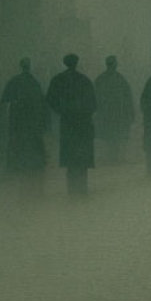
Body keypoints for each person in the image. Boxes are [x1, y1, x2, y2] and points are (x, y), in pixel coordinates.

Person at [46, 54, 97, 196]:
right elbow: (93, 104)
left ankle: (72, 190)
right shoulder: (84, 80)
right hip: (83, 124)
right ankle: (82, 189)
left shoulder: (58, 80)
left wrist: (63, 111)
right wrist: (83, 111)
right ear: (76, 63)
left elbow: (50, 100)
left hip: (68, 124)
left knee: (71, 159)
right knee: (82, 160)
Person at [1, 58, 49, 197]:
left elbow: (5, 99)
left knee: (20, 144)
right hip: (32, 120)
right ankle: (34, 167)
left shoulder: (14, 81)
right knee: (33, 144)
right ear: (29, 67)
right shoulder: (35, 82)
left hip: (18, 121)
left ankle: (21, 167)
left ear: (20, 66)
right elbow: (41, 102)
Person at [94, 55, 135, 164]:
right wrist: (130, 112)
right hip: (114, 114)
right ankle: (113, 158)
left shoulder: (101, 79)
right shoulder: (119, 79)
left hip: (109, 114)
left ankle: (111, 158)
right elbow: (127, 98)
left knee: (111, 136)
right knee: (113, 136)